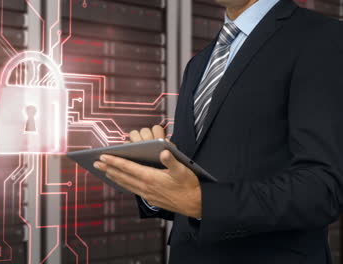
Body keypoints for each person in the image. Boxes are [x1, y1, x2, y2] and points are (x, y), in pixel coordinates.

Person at [93, 0, 343, 263]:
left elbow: (323, 188)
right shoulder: (199, 63)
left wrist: (202, 202)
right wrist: (154, 183)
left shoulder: (321, 37)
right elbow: (191, 178)